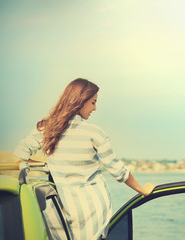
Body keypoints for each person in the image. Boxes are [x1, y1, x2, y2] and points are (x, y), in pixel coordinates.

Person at [14, 78, 155, 240]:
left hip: (59, 211)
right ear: (80, 101)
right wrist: (143, 190)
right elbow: (118, 171)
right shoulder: (94, 133)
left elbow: (21, 154)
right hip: (92, 210)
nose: (95, 108)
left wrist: (49, 162)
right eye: (93, 102)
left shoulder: (46, 129)